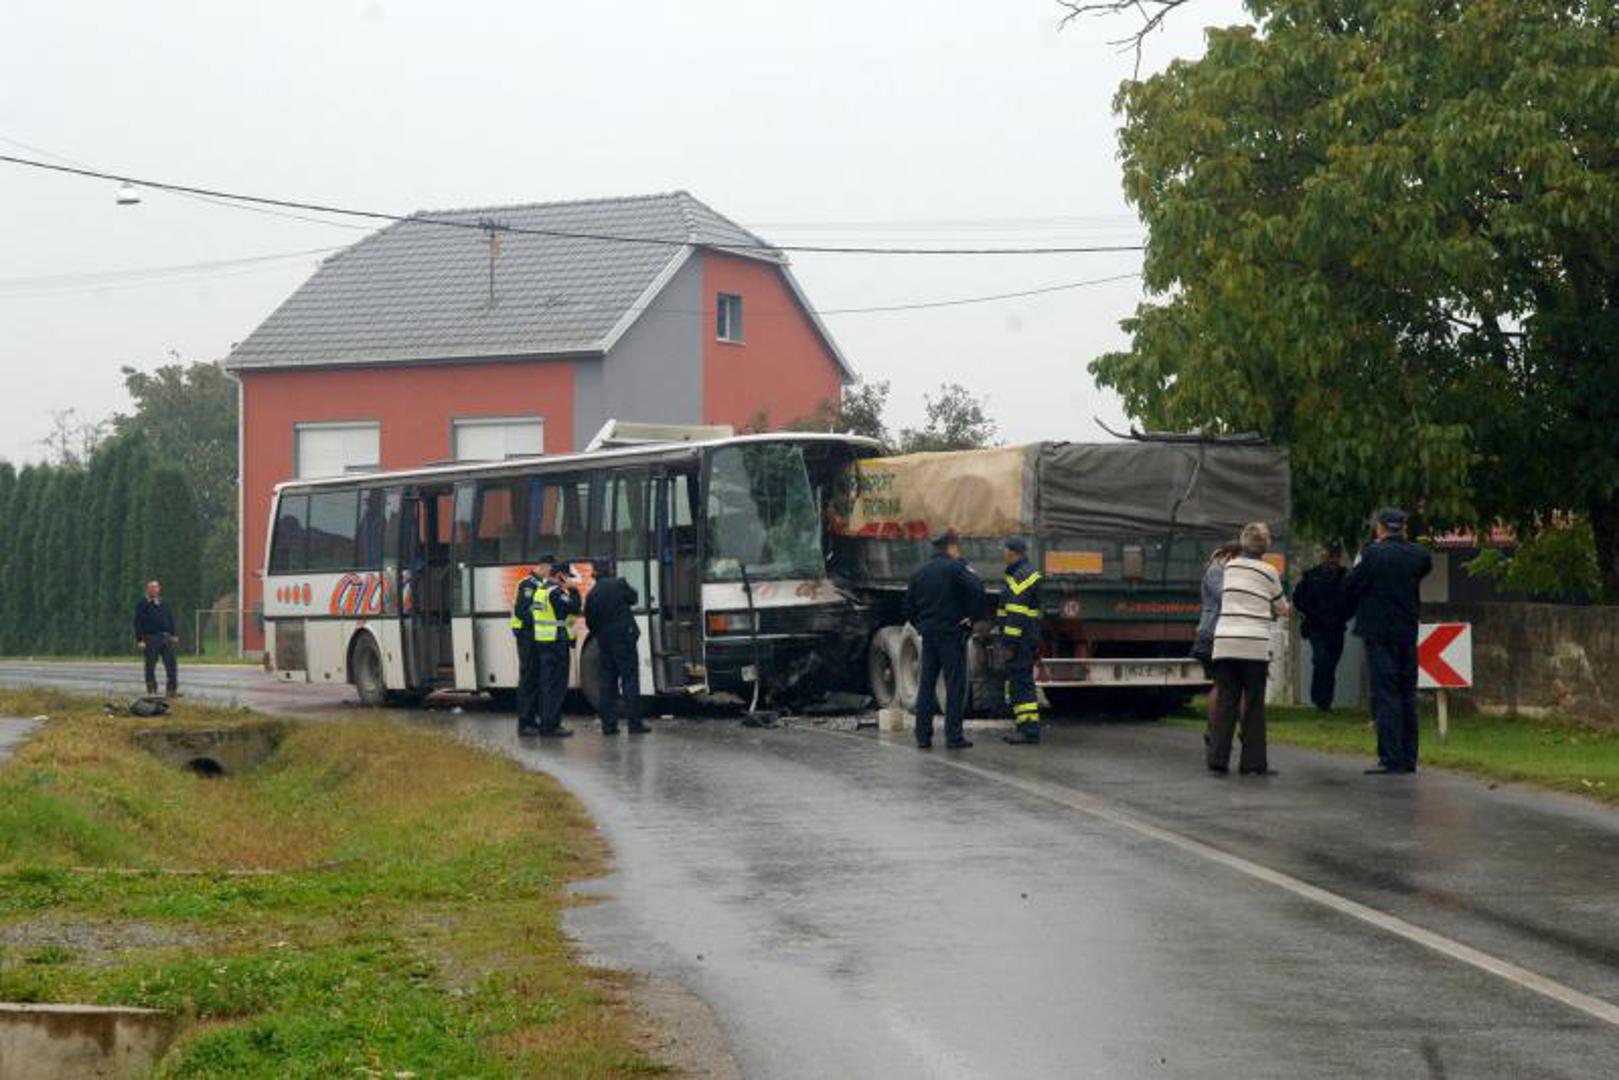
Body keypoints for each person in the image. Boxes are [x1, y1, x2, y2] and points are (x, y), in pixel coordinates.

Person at [1344, 508, 1433, 775]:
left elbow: (1352, 585)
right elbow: (1421, 572)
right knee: (1407, 692)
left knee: (1386, 693)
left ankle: (1390, 756)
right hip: (1407, 630)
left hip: (1379, 631)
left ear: (1380, 528)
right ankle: (1409, 756)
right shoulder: (1419, 555)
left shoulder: (1372, 554)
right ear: (1404, 528)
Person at [1206, 523, 1288, 776]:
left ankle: (1217, 759)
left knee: (1226, 701)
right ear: (1266, 546)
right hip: (1253, 643)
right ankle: (1253, 763)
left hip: (1225, 642)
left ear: (1243, 543)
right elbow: (1282, 607)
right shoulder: (1269, 572)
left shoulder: (1230, 567)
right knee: (1253, 704)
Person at [904, 529, 985, 750]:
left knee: (926, 686)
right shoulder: (956, 568)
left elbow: (908, 607)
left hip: (929, 636)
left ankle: (923, 737)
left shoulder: (919, 572)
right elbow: (978, 588)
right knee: (954, 686)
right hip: (951, 635)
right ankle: (953, 737)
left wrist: (921, 626)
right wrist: (971, 617)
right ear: (951, 547)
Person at [585, 560, 649, 736]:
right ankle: (635, 724)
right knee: (629, 680)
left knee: (607, 684)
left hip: (605, 642)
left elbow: (590, 622)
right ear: (611, 570)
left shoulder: (592, 594)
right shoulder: (619, 584)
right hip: (624, 640)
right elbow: (634, 598)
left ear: (595, 573)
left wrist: (601, 634)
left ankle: (609, 726)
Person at [1294, 540, 1351, 712]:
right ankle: (1319, 699)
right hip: (1316, 627)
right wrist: (1310, 613)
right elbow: (1299, 598)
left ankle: (1325, 701)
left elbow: (1353, 601)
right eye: (1329, 556)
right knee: (1321, 660)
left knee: (1331, 663)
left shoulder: (1345, 577)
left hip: (1336, 627)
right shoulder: (1311, 575)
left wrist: (1342, 617)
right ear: (1323, 556)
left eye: (1336, 556)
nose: (1332, 560)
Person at [997, 536, 1043, 745]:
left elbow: (1016, 614)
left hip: (1021, 640)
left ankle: (1029, 730)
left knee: (1022, 683)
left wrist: (1009, 644)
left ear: (1013, 552)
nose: (1003, 553)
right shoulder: (1021, 573)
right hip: (1025, 637)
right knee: (1020, 682)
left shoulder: (1022, 577)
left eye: (1005, 549)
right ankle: (1024, 727)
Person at [1193, 541, 1242, 729]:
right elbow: (1225, 596)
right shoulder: (1216, 571)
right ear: (1230, 556)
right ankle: (1214, 729)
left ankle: (1227, 728)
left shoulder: (1223, 571)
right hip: (1214, 633)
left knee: (1231, 684)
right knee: (1221, 684)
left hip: (1226, 631)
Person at [533, 554, 582, 738]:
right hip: (556, 642)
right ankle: (551, 725)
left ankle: (545, 723)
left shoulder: (540, 591)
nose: (569, 580)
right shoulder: (555, 592)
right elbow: (574, 608)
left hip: (543, 642)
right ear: (561, 575)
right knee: (557, 686)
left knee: (547, 685)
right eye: (567, 576)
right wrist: (574, 590)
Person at [510, 563, 545, 736]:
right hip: (526, 636)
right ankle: (525, 723)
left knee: (534, 680)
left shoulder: (541, 584)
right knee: (528, 681)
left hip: (533, 636)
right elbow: (522, 611)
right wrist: (540, 619)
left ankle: (532, 720)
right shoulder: (527, 584)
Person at [133, 579, 180, 697]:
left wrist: (174, 634)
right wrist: (140, 640)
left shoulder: (164, 603)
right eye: (152, 587)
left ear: (159, 589)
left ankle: (171, 690)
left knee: (171, 665)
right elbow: (138, 622)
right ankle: (152, 690)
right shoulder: (142, 604)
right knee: (150, 665)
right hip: (150, 638)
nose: (154, 590)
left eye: (156, 587)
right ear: (147, 589)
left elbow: (170, 618)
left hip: (166, 637)